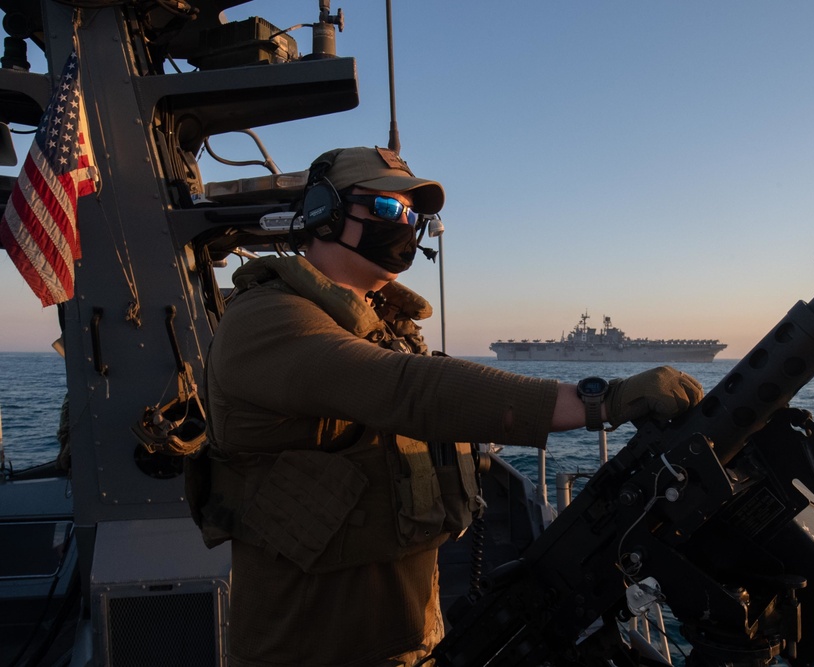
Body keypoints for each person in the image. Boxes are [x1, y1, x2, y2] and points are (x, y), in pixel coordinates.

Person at [193, 146, 703, 667]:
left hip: (409, 640)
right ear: (324, 210)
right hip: (310, 650)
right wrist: (601, 400)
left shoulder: (383, 327)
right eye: (388, 209)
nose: (406, 227)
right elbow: (410, 389)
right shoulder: (266, 322)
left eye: (416, 217)